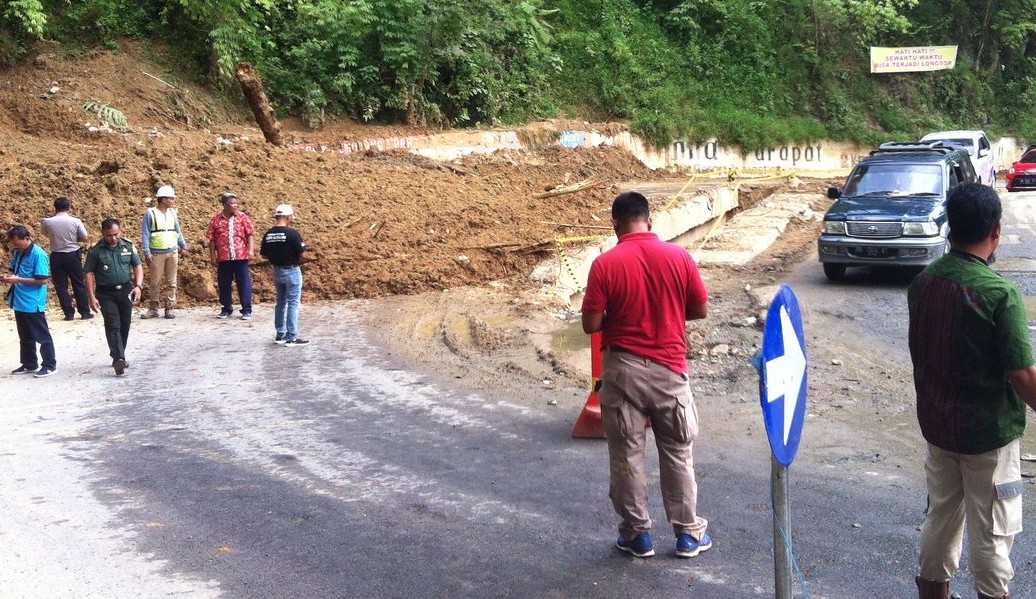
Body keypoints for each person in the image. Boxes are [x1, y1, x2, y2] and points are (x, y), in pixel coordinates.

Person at [909, 183, 1036, 599]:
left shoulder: (923, 282)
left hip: (939, 428)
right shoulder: (999, 293)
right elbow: (1023, 375)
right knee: (994, 530)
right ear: (995, 230)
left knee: (941, 517)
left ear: (951, 225)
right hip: (988, 438)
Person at [580, 191, 710, 559]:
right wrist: (666, 311)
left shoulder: (604, 264)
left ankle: (637, 535)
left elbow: (591, 324)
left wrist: (619, 315)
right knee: (678, 453)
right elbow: (700, 309)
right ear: (649, 221)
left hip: (622, 372)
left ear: (615, 225)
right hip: (671, 370)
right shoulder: (679, 256)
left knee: (627, 455)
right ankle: (688, 534)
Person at [85, 218, 144, 376]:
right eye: (109, 235)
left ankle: (117, 353)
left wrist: (138, 286)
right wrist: (91, 297)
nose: (113, 238)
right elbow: (89, 274)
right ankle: (119, 358)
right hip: (106, 293)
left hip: (125, 291)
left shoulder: (128, 246)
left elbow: (137, 265)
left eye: (116, 234)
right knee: (113, 324)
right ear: (103, 233)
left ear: (120, 231)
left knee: (125, 325)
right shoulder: (96, 251)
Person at [3, 225, 56, 378]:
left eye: (17, 243)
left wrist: (18, 279)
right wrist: (8, 276)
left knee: (42, 336)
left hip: (33, 302)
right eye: (14, 244)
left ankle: (49, 365)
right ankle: (29, 363)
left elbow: (42, 280)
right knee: (25, 336)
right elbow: (12, 269)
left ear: (27, 238)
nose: (16, 246)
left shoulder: (38, 254)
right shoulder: (18, 252)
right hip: (19, 301)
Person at [260, 204, 310, 346]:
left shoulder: (268, 234)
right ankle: (291, 337)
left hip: (277, 271)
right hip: (292, 270)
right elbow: (302, 254)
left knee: (281, 303)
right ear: (288, 217)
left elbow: (263, 254)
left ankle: (280, 334)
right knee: (293, 303)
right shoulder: (292, 233)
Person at [41, 196, 92, 320]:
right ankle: (84, 312)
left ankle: (68, 314)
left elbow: (44, 233)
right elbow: (85, 237)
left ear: (55, 208)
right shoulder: (76, 221)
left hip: (56, 255)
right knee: (78, 283)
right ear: (68, 207)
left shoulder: (48, 221)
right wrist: (74, 239)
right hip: (73, 254)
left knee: (61, 286)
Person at [206, 191, 255, 320]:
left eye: (236, 203)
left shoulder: (243, 217)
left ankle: (246, 310)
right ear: (224, 205)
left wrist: (250, 250)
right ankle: (226, 308)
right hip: (224, 258)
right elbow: (211, 240)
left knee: (243, 283)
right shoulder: (216, 219)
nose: (235, 205)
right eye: (232, 203)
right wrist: (212, 256)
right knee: (224, 284)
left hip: (240, 256)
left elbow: (250, 234)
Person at [141, 184, 187, 319]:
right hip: (157, 253)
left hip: (172, 251)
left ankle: (169, 307)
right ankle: (153, 308)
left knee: (171, 282)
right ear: (164, 199)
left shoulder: (173, 213)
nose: (173, 201)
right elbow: (145, 233)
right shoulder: (150, 213)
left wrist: (183, 246)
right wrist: (147, 251)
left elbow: (177, 230)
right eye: (171, 198)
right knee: (155, 282)